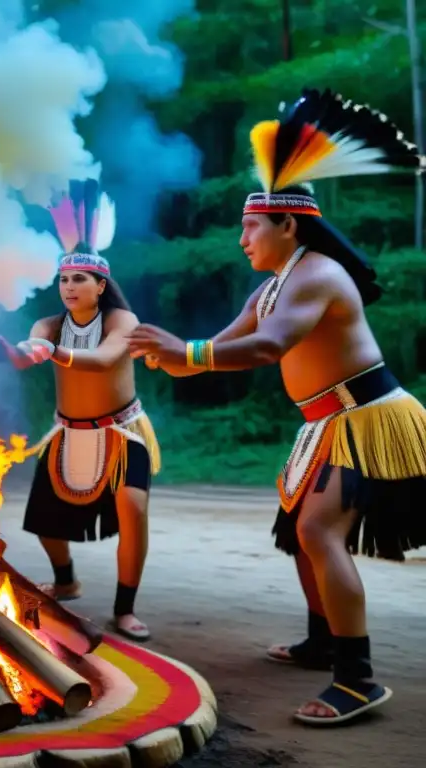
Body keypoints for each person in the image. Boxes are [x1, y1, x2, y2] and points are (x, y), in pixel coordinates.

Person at [126, 88, 426, 726]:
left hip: (366, 420)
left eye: (250, 226)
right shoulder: (274, 285)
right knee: (300, 534)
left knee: (318, 531)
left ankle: (357, 679)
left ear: (288, 224)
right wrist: (160, 352)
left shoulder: (317, 274)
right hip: (327, 423)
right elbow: (221, 345)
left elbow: (267, 347)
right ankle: (324, 641)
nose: (241, 239)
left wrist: (190, 350)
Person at [0, 179, 160, 642]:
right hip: (67, 434)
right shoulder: (49, 323)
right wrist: (12, 353)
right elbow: (30, 350)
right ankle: (66, 580)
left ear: (101, 285)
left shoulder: (122, 321)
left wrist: (55, 354)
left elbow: (104, 360)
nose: (68, 286)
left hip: (123, 433)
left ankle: (125, 609)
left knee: (133, 510)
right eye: (63, 279)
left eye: (79, 278)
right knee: (44, 520)